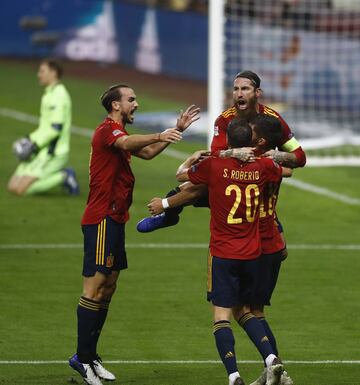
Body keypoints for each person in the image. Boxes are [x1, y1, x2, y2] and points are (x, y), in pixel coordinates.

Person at [68, 83, 200, 385]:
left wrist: (173, 131)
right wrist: (158, 132)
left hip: (115, 218)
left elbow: (149, 152)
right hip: (100, 218)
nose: (136, 104)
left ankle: (90, 355)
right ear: (116, 106)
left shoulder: (121, 136)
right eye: (131, 99)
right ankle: (82, 358)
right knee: (95, 286)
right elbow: (128, 144)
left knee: (109, 286)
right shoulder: (107, 131)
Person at [149, 119, 290, 385]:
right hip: (252, 253)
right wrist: (271, 153)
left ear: (229, 143)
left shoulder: (214, 165)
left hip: (224, 252)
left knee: (221, 316)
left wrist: (194, 157)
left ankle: (233, 375)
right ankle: (271, 358)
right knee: (245, 311)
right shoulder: (263, 167)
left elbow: (182, 176)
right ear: (251, 143)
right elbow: (285, 169)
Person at [136, 70, 306, 233]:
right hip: (231, 177)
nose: (239, 94)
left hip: (259, 182)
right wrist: (233, 154)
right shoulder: (224, 120)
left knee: (280, 252)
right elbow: (215, 154)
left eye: (245, 89)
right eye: (236, 89)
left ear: (257, 93)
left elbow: (300, 157)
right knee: (187, 189)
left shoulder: (273, 121)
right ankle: (168, 216)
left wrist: (281, 155)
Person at [7, 58, 79, 196]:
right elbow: (44, 127)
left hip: (54, 152)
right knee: (12, 186)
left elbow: (55, 128)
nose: (38, 74)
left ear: (53, 73)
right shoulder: (48, 94)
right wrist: (27, 139)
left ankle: (64, 176)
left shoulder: (59, 95)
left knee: (22, 190)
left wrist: (33, 145)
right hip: (42, 150)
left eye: (42, 71)